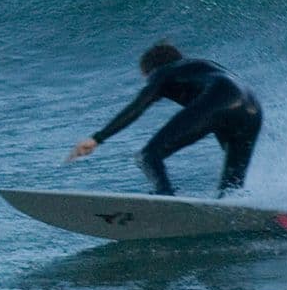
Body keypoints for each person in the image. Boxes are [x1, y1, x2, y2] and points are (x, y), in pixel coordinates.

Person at [66, 41, 262, 197]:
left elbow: (138, 106)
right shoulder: (199, 68)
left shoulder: (162, 72)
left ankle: (165, 195)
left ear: (150, 70)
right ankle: (242, 212)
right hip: (252, 108)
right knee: (231, 187)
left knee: (148, 156)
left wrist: (97, 138)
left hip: (220, 99)